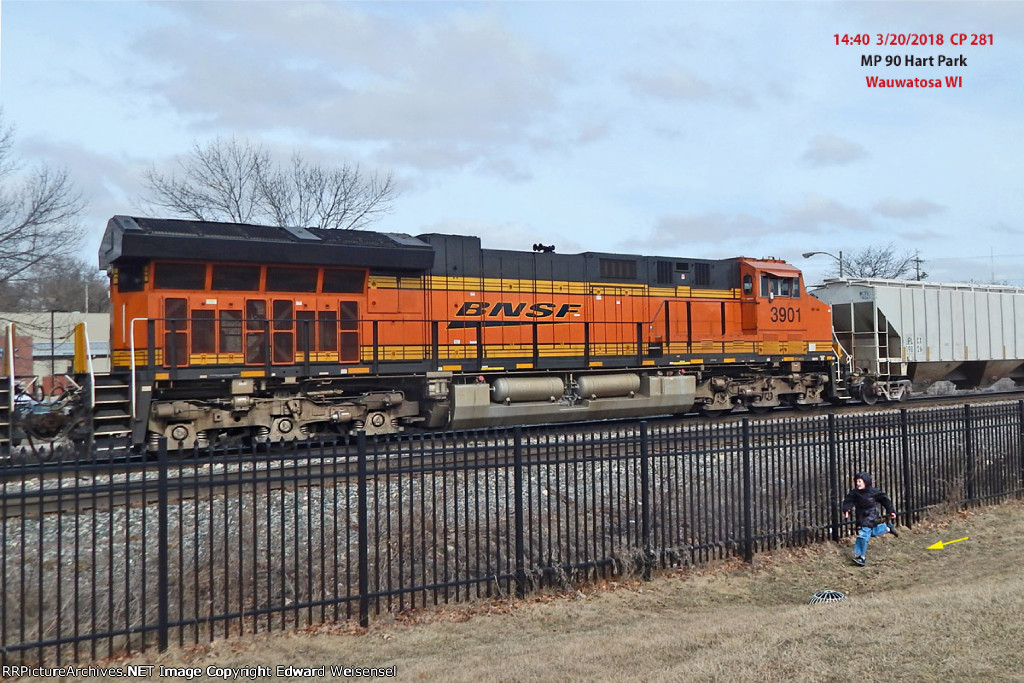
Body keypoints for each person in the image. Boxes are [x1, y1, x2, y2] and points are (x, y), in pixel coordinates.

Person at [841, 472, 898, 566]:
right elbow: (848, 501)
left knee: (863, 534)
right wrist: (846, 509)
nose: (858, 483)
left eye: (860, 481)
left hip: (871, 515)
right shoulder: (855, 493)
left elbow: (885, 500)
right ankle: (887, 528)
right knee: (872, 533)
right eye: (857, 481)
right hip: (861, 515)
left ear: (866, 482)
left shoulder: (873, 492)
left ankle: (861, 557)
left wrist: (891, 511)